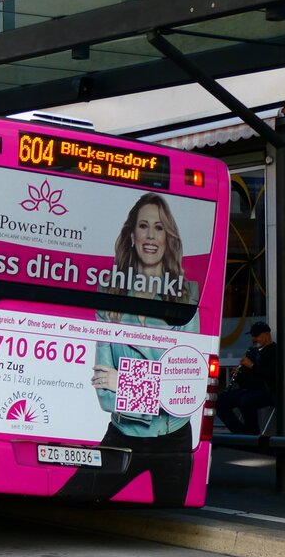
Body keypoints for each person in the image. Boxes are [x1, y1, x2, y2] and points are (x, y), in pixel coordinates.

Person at [58, 192, 200, 506]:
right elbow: (104, 393)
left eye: (159, 228)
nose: (151, 235)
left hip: (174, 439)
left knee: (170, 520)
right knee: (69, 501)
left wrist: (122, 381)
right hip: (123, 435)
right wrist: (154, 386)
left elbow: (183, 387)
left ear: (168, 238)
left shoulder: (186, 297)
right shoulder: (109, 294)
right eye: (144, 226)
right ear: (132, 235)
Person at [215, 322, 277, 435]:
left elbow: (271, 375)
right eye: (252, 336)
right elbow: (247, 378)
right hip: (249, 390)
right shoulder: (252, 351)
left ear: (267, 334)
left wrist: (252, 366)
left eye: (257, 336)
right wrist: (238, 374)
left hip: (267, 390)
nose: (254, 339)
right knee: (219, 401)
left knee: (246, 400)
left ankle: (252, 433)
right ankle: (239, 432)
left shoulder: (275, 351)